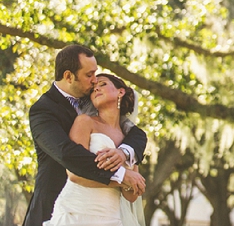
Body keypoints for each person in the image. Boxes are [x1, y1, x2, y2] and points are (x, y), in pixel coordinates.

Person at [23, 45, 147, 226]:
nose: (95, 81)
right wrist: (121, 176)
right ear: (68, 76)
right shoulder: (43, 111)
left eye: (95, 74)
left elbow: (137, 135)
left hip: (108, 214)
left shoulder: (97, 100)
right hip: (61, 208)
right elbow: (66, 153)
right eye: (89, 75)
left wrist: (124, 153)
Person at [45, 72, 146, 226]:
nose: (96, 89)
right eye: (93, 89)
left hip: (110, 218)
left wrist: (135, 184)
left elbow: (131, 196)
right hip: (77, 212)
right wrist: (123, 178)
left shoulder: (129, 140)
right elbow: (74, 173)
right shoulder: (85, 122)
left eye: (103, 84)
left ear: (121, 91)